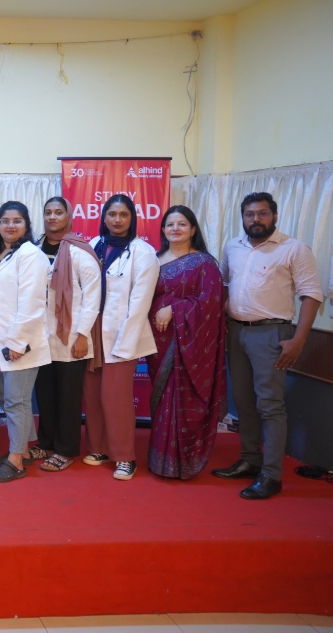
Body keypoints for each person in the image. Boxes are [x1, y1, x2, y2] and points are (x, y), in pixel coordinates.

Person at [212, 192, 322, 499]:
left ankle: (272, 475)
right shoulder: (233, 246)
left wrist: (298, 340)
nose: (255, 219)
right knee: (243, 402)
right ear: (243, 217)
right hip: (236, 332)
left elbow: (311, 295)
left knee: (270, 406)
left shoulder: (294, 248)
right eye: (249, 214)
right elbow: (224, 284)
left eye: (262, 213)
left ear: (274, 216)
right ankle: (250, 459)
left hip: (272, 333)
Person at [146, 205, 226, 480]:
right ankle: (160, 458)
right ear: (163, 230)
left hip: (188, 342)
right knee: (162, 397)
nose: (175, 229)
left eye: (182, 224)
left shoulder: (205, 264)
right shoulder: (153, 260)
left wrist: (175, 309)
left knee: (181, 397)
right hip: (156, 340)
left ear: (193, 229)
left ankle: (183, 459)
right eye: (170, 224)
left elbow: (211, 302)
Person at [83, 194, 159, 481]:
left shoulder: (143, 252)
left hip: (122, 332)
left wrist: (125, 343)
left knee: (116, 397)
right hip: (92, 330)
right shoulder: (94, 245)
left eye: (123, 215)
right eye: (112, 214)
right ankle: (99, 448)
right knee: (92, 394)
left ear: (132, 219)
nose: (117, 220)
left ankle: (125, 457)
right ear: (104, 217)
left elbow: (141, 302)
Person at [0, 201, 51, 483]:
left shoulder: (31, 255)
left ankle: (16, 461)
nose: (10, 225)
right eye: (5, 220)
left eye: (17, 220)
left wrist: (18, 343)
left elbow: (32, 302)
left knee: (16, 401)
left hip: (21, 342)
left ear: (27, 225)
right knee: (8, 399)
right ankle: (20, 449)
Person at [34, 196, 101, 473]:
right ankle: (46, 443)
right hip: (40, 335)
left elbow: (92, 297)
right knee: (45, 394)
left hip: (72, 337)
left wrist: (83, 335)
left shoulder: (79, 251)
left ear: (68, 217)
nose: (52, 217)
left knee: (68, 397)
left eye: (58, 212)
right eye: (48, 212)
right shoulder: (33, 249)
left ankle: (66, 449)